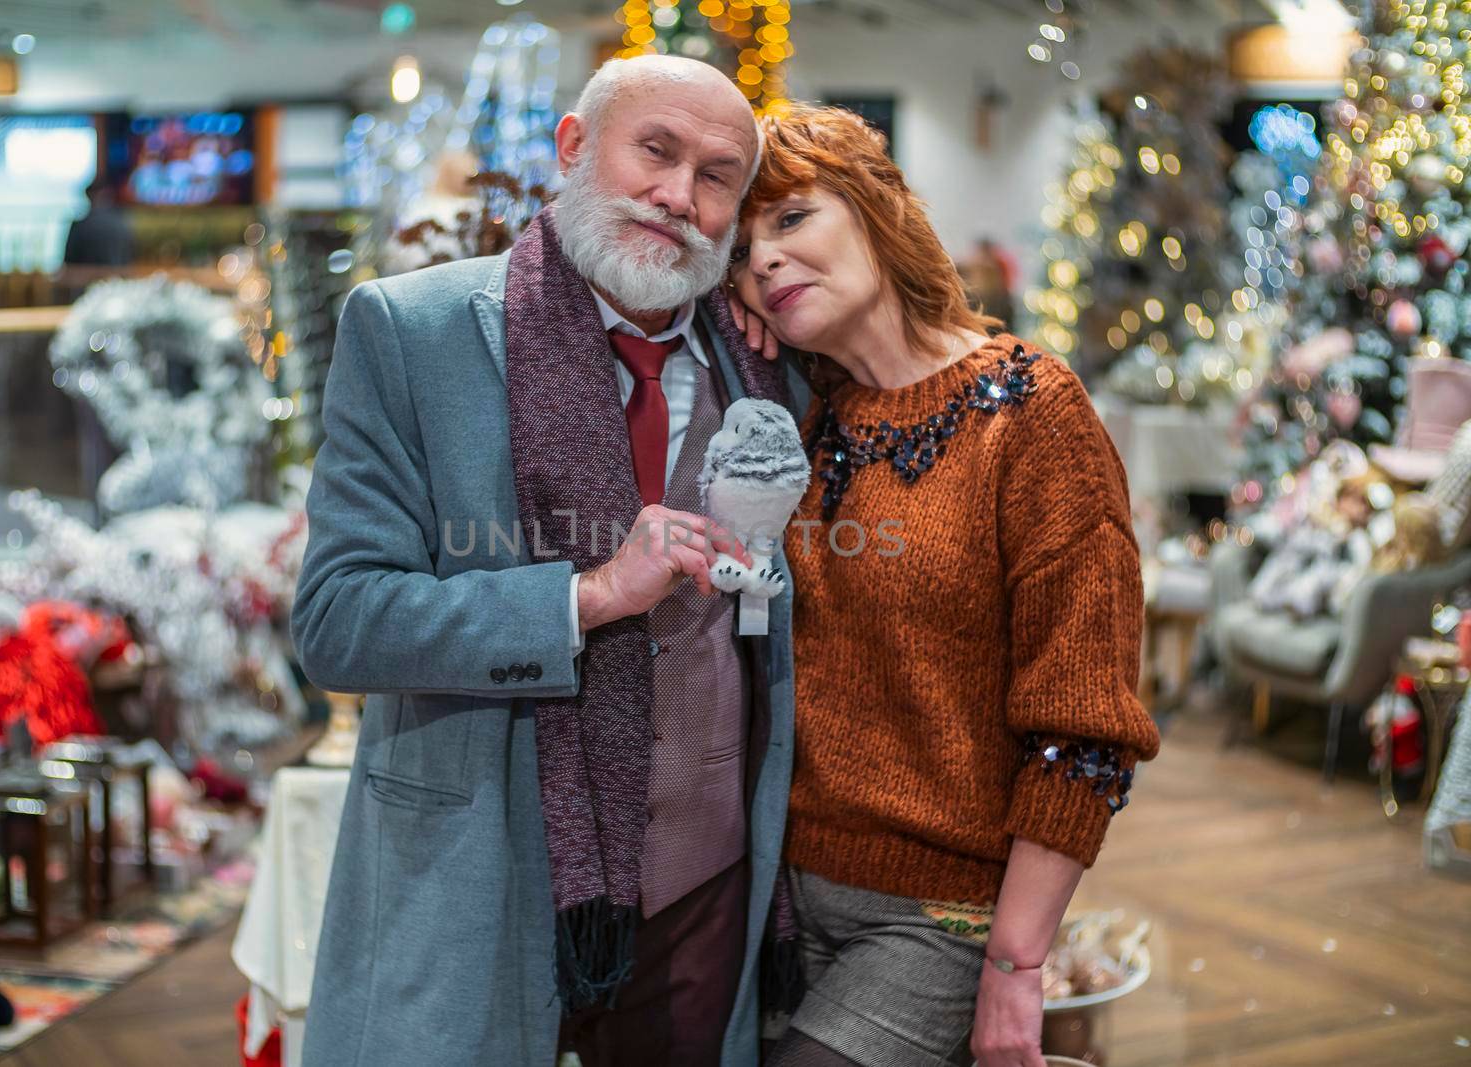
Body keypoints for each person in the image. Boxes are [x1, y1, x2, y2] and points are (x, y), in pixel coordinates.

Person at [292, 55, 809, 1067]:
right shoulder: (415, 330)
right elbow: (338, 619)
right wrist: (585, 597)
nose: (677, 195)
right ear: (573, 148)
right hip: (477, 874)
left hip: (707, 886)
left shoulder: (769, 362)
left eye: (716, 177)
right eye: (653, 151)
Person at [726, 104, 1162, 1067]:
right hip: (777, 904)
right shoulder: (789, 424)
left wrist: (1016, 963)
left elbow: (1085, 723)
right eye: (740, 249)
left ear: (876, 207)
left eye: (791, 219)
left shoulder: (1031, 414)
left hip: (943, 915)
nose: (761, 260)